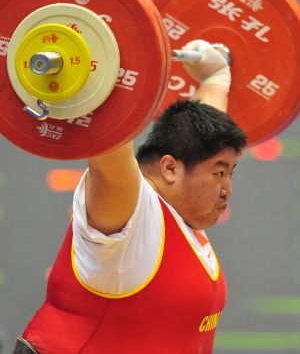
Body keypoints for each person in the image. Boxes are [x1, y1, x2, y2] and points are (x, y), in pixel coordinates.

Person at [14, 40, 247, 354]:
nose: (227, 189)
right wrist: (103, 68)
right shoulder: (135, 214)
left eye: (229, 173)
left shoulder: (183, 207)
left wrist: (216, 77)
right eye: (220, 174)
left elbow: (205, 143)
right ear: (169, 168)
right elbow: (111, 150)